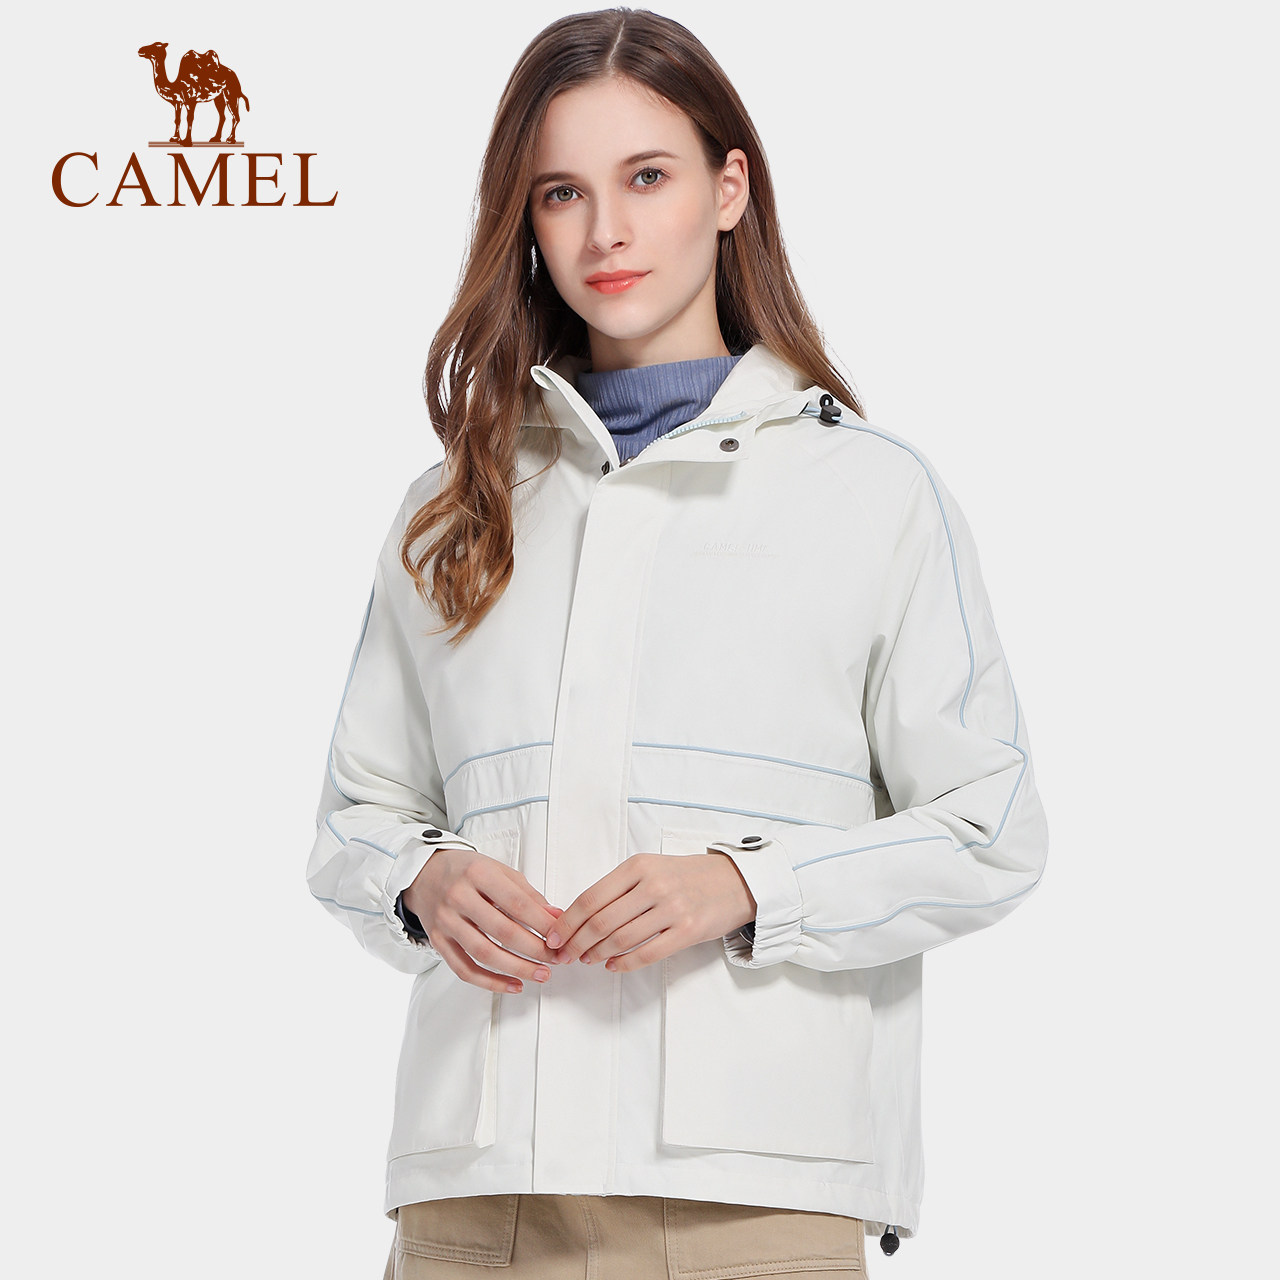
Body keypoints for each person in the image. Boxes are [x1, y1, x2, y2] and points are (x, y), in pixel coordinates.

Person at [305, 8, 1050, 1277]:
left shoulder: (869, 495)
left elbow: (990, 826)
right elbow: (353, 817)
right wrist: (421, 880)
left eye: (645, 177)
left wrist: (747, 886)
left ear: (727, 188)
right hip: (477, 1201)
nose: (604, 231)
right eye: (561, 192)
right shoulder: (452, 507)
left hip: (751, 1201)